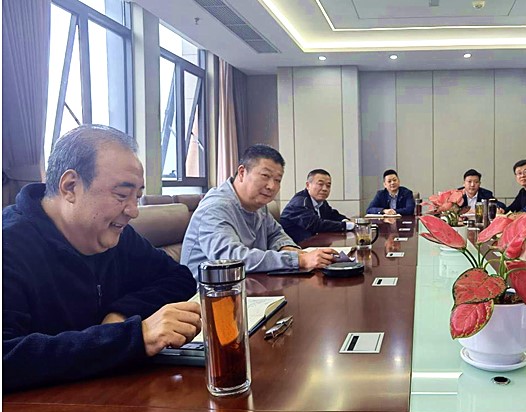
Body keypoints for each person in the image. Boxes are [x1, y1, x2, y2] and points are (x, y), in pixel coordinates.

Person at [3, 125, 199, 392]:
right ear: (70, 186)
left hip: (120, 393)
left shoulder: (117, 236)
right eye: (122, 195)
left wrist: (120, 313)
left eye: (137, 197)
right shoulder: (10, 246)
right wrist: (132, 337)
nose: (133, 211)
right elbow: (8, 357)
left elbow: (179, 278)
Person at [181, 145, 336, 277]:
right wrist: (298, 260)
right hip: (205, 295)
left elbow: (275, 234)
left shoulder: (258, 205)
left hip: (248, 283)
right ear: (242, 173)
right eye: (265, 176)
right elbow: (231, 259)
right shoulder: (216, 208)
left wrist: (289, 249)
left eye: (277, 180)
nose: (271, 186)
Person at [280, 169, 354, 243]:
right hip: (296, 246)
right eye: (320, 184)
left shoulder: (320, 201)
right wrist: (345, 226)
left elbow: (332, 214)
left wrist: (345, 220)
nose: (325, 189)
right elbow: (315, 224)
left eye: (328, 186)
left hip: (312, 242)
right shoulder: (300, 203)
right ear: (308, 185)